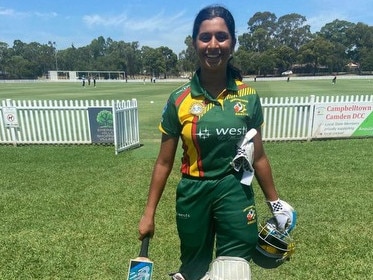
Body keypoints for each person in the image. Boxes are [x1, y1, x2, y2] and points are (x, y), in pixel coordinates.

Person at [137, 5, 295, 280]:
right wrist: (148, 214)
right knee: (194, 270)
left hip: (234, 190)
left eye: (221, 36)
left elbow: (258, 157)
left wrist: (275, 201)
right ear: (194, 43)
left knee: (234, 271)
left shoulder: (248, 96)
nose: (213, 44)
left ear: (232, 42)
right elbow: (164, 162)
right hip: (193, 193)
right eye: (205, 37)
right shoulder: (179, 99)